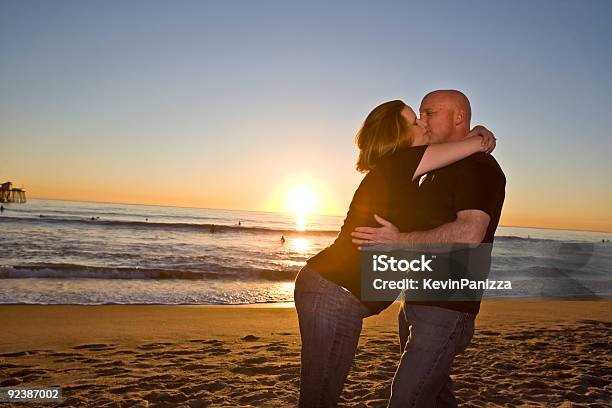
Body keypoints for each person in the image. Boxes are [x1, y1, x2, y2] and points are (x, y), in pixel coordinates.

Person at [294, 98, 496, 407]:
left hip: (335, 293)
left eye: (426, 117)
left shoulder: (405, 173)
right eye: (416, 122)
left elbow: (463, 150)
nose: (423, 124)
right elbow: (469, 145)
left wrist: (474, 133)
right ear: (398, 136)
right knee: (320, 397)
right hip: (334, 293)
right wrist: (479, 135)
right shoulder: (400, 164)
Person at [351, 90, 506, 407]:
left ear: (458, 117)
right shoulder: (435, 167)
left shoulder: (479, 167)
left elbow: (470, 232)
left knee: (406, 398)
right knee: (435, 395)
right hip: (415, 302)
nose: (422, 121)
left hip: (447, 307)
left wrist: (399, 241)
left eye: (429, 113)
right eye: (420, 114)